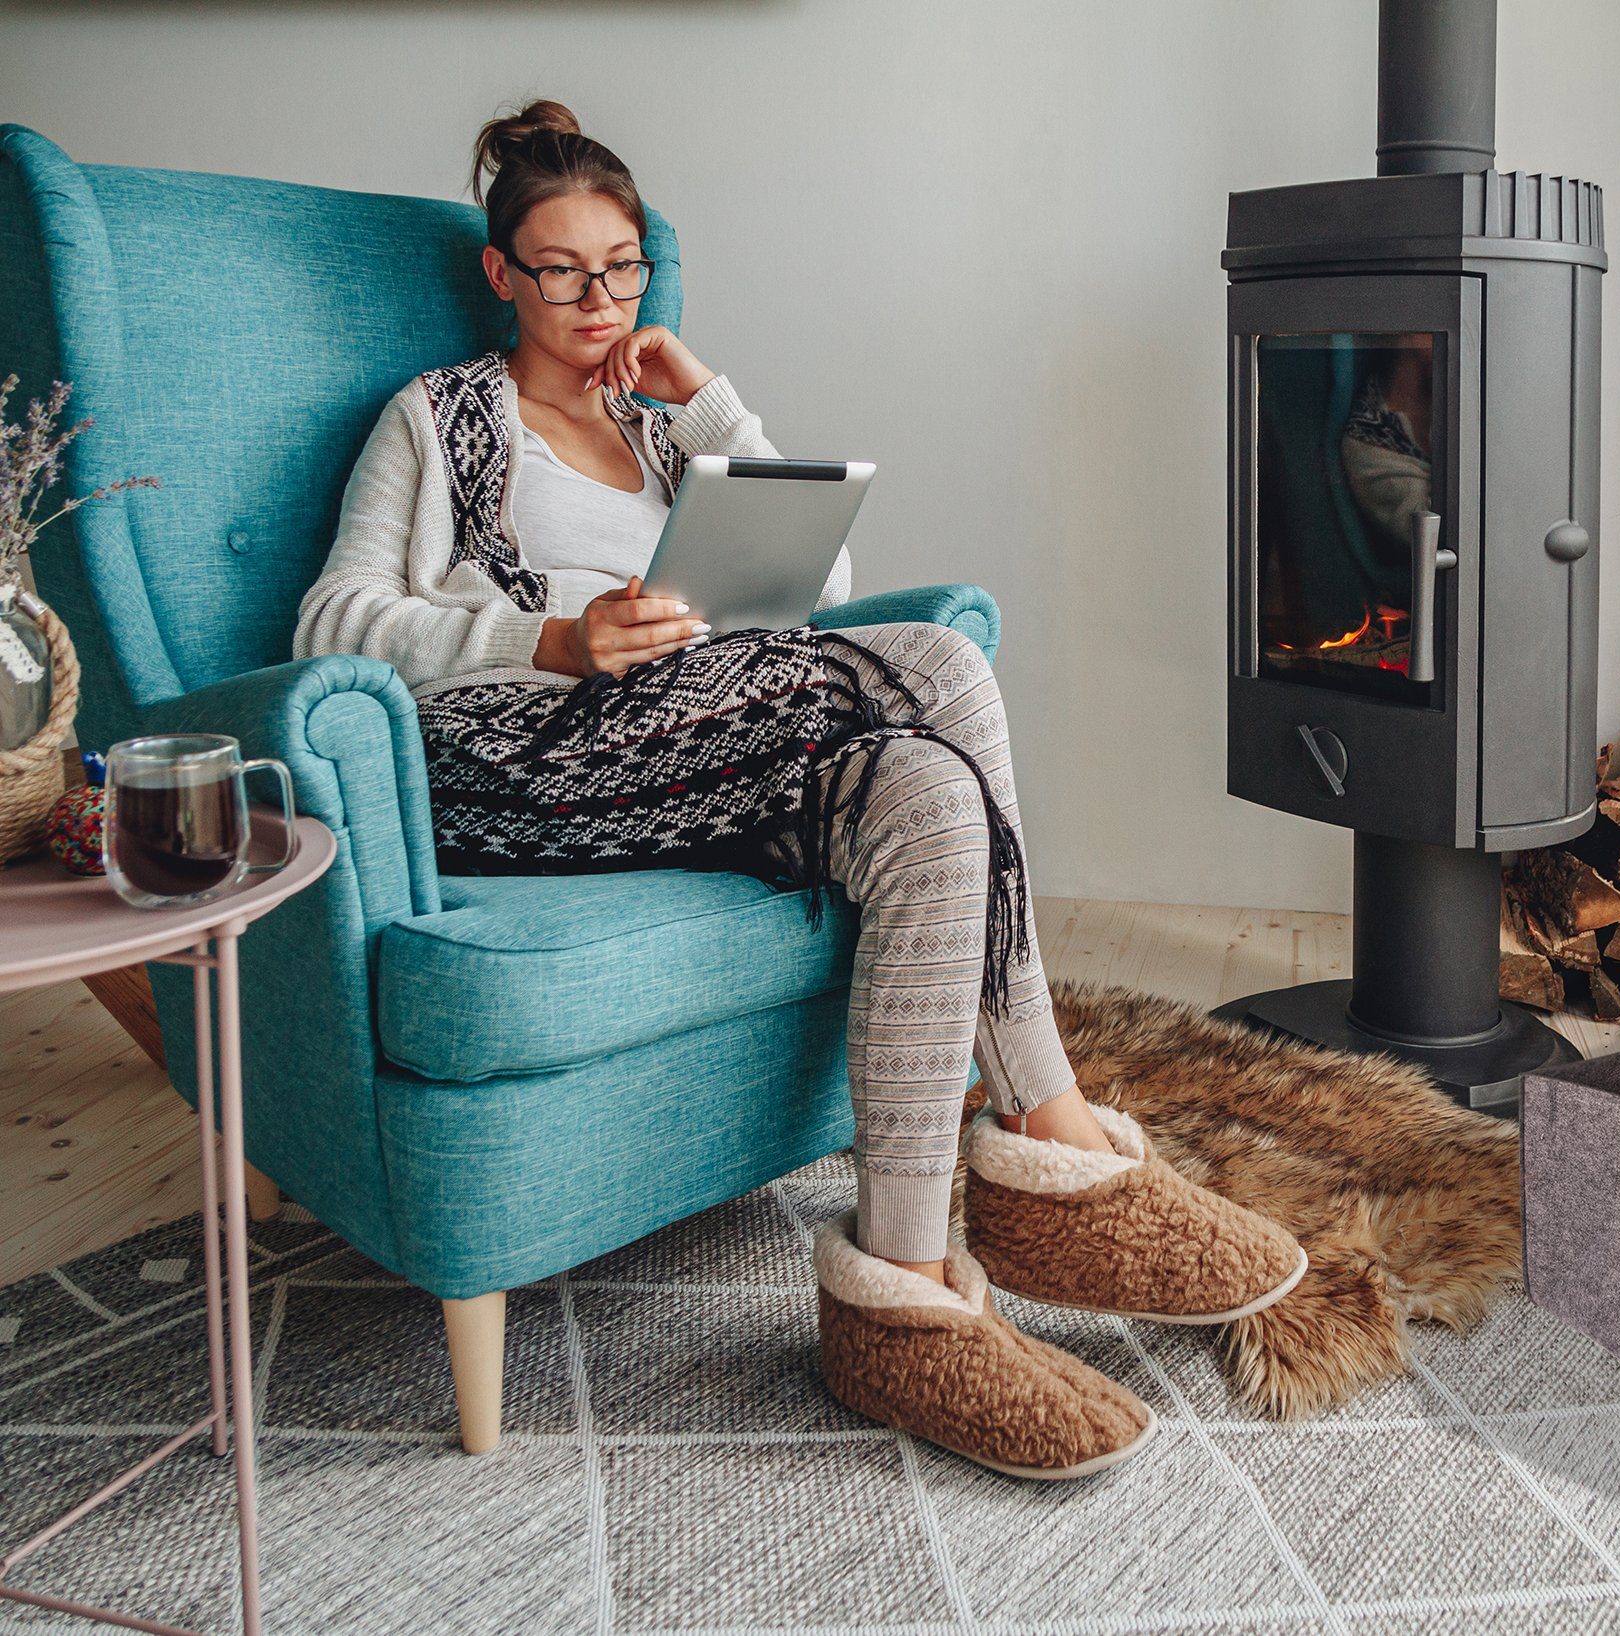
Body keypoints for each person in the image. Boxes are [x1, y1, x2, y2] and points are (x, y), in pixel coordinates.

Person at [296, 99, 1307, 1480]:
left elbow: (815, 590)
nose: (596, 299)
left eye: (623, 266)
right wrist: (550, 637)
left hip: (696, 740)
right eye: (561, 270)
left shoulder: (654, 425)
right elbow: (332, 624)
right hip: (519, 754)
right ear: (499, 274)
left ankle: (899, 1297)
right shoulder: (436, 418)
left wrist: (706, 402)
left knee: (923, 796)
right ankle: (1051, 1132)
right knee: (933, 662)